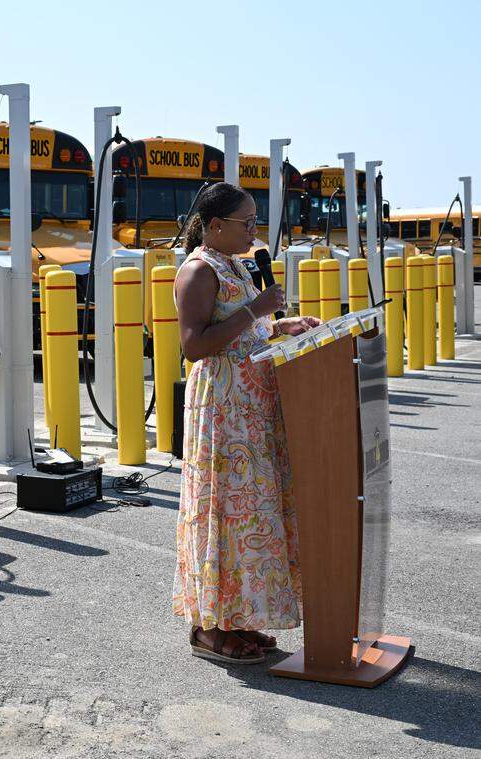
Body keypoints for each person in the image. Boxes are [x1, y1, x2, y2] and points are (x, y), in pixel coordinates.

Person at [172, 182, 320, 664]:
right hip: (222, 410)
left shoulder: (235, 265)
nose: (255, 231)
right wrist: (257, 309)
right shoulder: (198, 270)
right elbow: (195, 346)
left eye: (256, 222)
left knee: (250, 513)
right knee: (223, 512)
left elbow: (245, 330)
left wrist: (279, 326)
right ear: (215, 226)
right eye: (247, 223)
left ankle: (239, 616)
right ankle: (209, 628)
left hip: (251, 409)